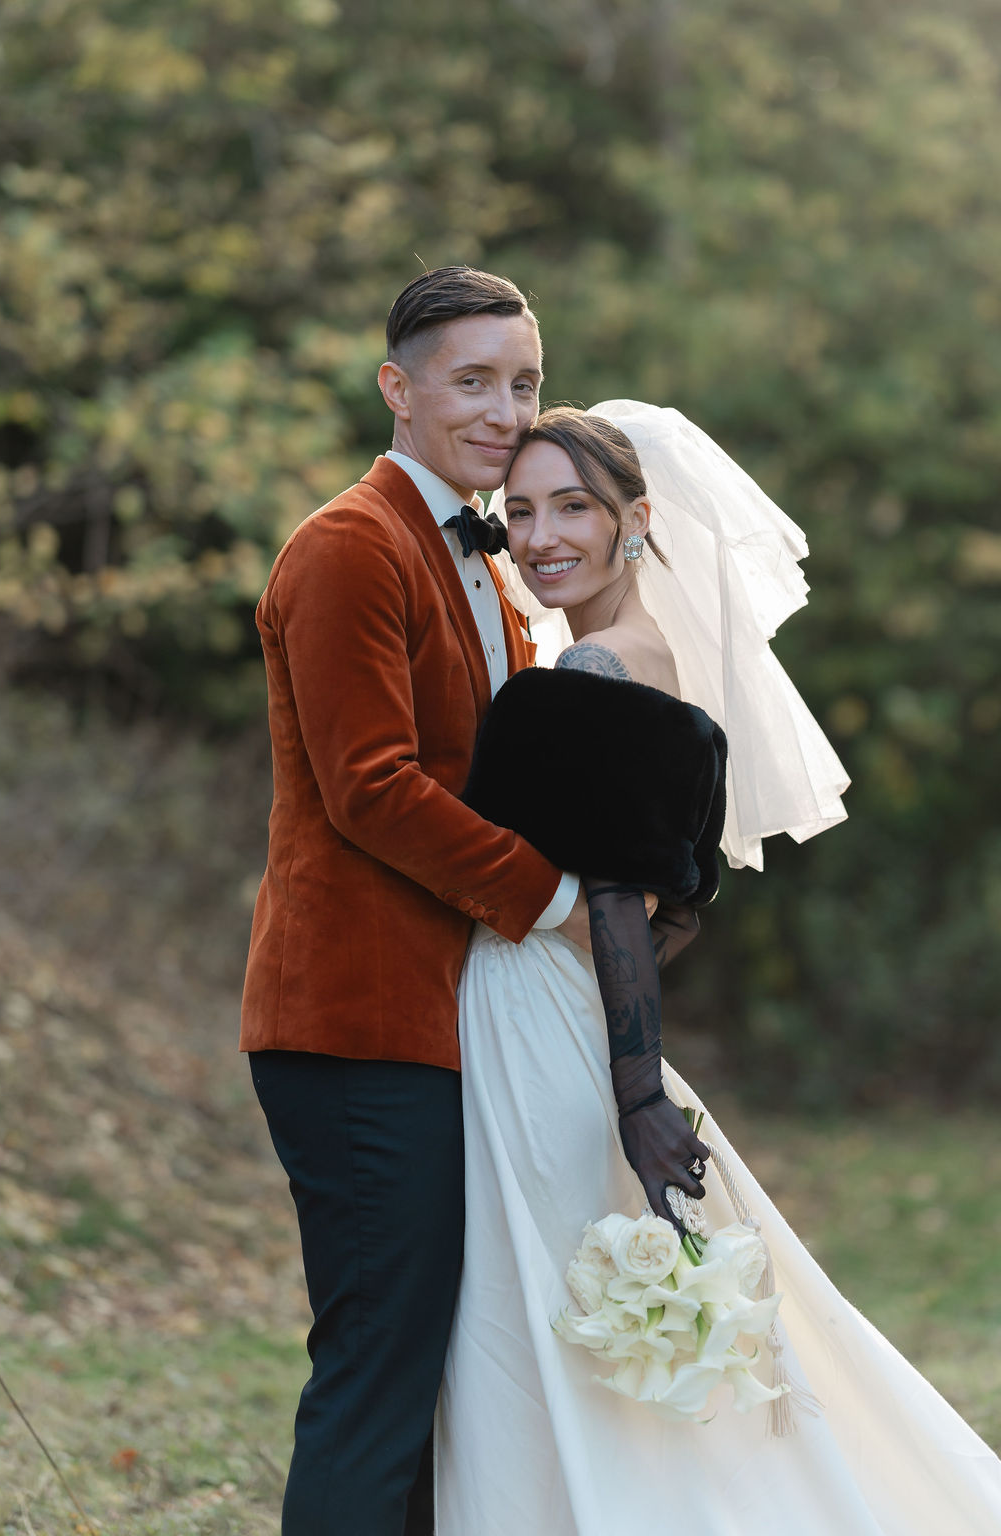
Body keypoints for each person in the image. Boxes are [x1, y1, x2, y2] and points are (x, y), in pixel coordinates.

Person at [434, 403, 1001, 1534]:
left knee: (531, 1295)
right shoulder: (662, 667)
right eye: (521, 510)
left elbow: (616, 895)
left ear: (635, 520)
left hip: (530, 1008)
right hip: (566, 1003)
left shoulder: (594, 664)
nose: (540, 536)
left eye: (574, 507)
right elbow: (675, 906)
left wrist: (638, 1089)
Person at [240, 268, 595, 1536]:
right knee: (379, 1365)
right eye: (474, 381)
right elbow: (372, 789)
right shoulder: (350, 546)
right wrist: (554, 901)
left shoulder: (485, 563)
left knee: (437, 1370)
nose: (506, 411)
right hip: (354, 1017)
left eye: (525, 383)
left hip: (447, 1018)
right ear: (397, 388)